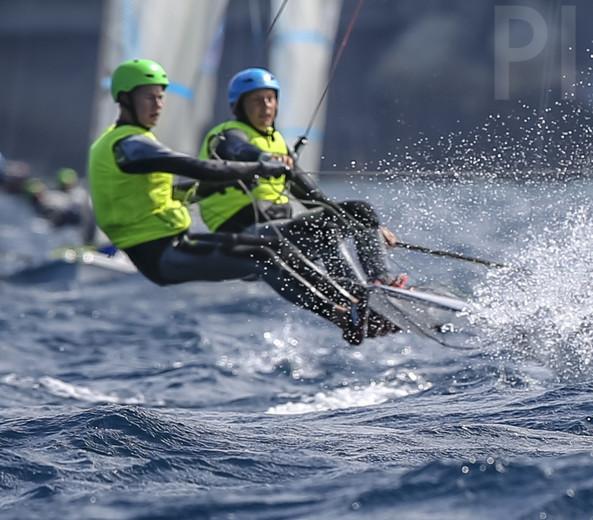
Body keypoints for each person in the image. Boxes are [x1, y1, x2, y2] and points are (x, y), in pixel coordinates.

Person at [87, 59, 388, 343]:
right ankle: (346, 312)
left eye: (161, 97)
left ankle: (355, 301)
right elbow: (196, 165)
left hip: (177, 242)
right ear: (124, 99)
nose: (157, 105)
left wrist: (207, 189)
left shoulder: (134, 142)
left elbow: (161, 194)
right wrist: (259, 166)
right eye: (148, 98)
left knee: (275, 249)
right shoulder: (128, 144)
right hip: (159, 255)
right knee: (266, 256)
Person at [197, 67, 402, 297]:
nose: (265, 106)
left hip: (282, 230)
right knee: (324, 230)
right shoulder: (225, 135)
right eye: (256, 100)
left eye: (270, 99)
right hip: (241, 236)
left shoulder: (277, 143)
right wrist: (264, 160)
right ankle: (355, 294)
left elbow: (314, 199)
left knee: (360, 211)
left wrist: (368, 230)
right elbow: (238, 149)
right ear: (239, 106)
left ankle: (381, 284)